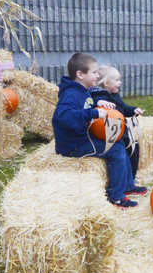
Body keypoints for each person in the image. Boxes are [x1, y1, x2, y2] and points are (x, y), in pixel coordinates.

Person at [52, 52, 142, 207]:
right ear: (80, 74)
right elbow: (62, 116)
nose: (97, 75)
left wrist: (98, 103)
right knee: (115, 149)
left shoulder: (81, 90)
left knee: (118, 142)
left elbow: (83, 107)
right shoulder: (71, 94)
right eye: (93, 72)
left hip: (82, 137)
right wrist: (94, 112)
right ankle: (116, 196)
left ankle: (127, 185)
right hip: (73, 145)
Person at [91, 65, 145, 185]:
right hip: (109, 132)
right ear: (105, 83)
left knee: (134, 147)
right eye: (116, 80)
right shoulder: (99, 95)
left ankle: (131, 176)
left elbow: (123, 108)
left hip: (121, 129)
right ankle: (126, 180)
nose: (120, 83)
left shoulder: (115, 95)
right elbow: (90, 102)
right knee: (123, 153)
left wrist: (134, 110)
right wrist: (99, 102)